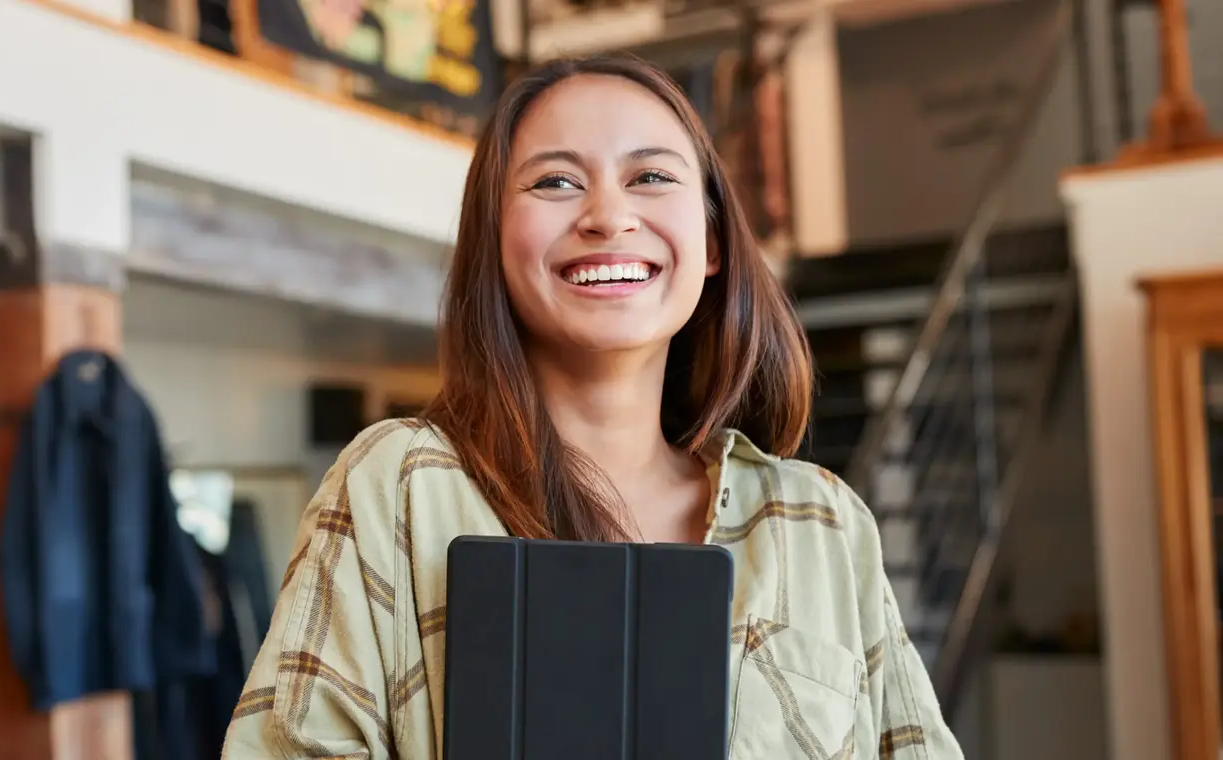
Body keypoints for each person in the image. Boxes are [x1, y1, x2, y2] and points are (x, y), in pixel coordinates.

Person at [219, 54, 963, 759]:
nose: (609, 216)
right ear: (496, 241)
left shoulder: (822, 523)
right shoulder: (398, 489)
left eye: (650, 175)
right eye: (554, 183)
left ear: (710, 240)